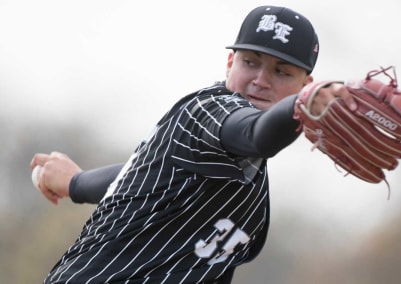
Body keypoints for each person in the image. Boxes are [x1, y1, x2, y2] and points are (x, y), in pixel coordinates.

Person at [30, 5, 356, 283]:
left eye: (281, 71)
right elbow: (256, 134)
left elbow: (143, 175)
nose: (261, 80)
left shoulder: (253, 191)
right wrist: (303, 104)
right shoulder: (209, 111)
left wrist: (75, 182)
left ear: (305, 81)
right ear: (230, 63)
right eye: (251, 62)